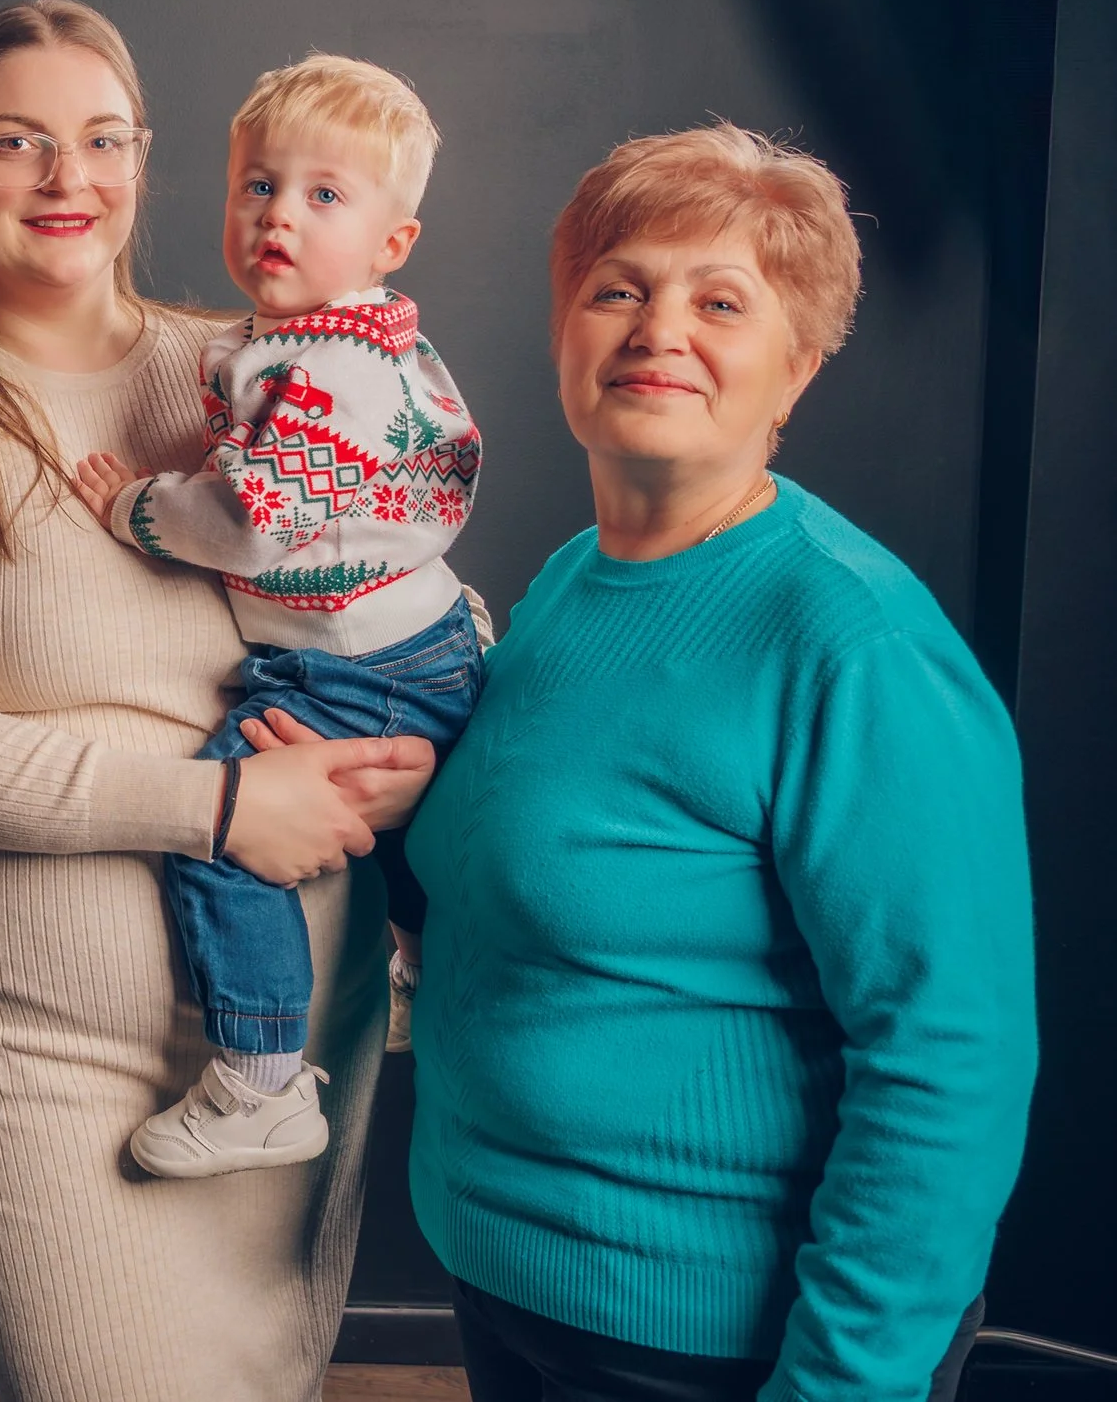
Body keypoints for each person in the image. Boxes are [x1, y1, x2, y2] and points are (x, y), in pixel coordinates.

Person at [0, 0, 440, 1400]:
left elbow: (397, 585)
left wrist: (407, 758)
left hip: (291, 1039)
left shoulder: (245, 368)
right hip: (28, 1029)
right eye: (15, 141)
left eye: (101, 140)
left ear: (146, 159)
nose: (65, 179)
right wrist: (214, 803)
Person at [399, 125, 1032, 1400]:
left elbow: (948, 1058)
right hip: (505, 1273)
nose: (655, 328)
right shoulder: (577, 577)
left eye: (720, 300)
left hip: (704, 1339)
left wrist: (843, 1385)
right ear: (565, 329)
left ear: (794, 369)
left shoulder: (854, 643)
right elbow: (527, 896)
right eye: (617, 288)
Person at [71, 55, 483, 1179]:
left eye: (323, 196)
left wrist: (135, 506)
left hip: (350, 664)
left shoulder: (318, 371)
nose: (277, 217)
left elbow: (254, 526)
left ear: (391, 242)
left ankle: (256, 1077)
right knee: (410, 849)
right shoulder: (370, 340)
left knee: (227, 828)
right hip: (424, 636)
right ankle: (421, 969)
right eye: (257, 185)